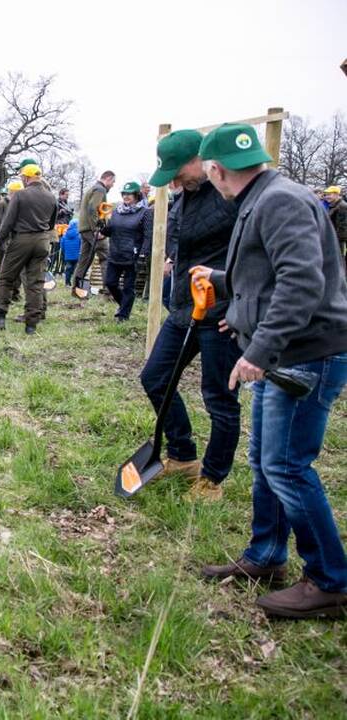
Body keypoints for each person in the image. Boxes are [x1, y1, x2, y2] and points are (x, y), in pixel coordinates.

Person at [193, 123, 347, 619]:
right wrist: (224, 286)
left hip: (305, 354)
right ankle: (266, 556)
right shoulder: (265, 196)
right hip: (287, 353)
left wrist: (258, 350)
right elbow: (268, 273)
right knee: (265, 461)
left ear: (216, 170)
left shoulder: (279, 200)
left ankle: (330, 580)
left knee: (286, 465)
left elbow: (302, 282)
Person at [139, 129, 242, 501]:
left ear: (199, 159)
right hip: (185, 308)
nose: (176, 182)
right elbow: (191, 240)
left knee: (219, 398)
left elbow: (255, 256)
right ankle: (182, 454)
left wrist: (240, 306)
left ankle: (212, 479)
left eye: (179, 173)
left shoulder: (231, 194)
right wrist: (173, 260)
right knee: (155, 377)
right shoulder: (188, 195)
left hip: (222, 313)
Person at [0, 164, 57, 334]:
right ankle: (31, 325)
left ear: (26, 178)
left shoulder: (20, 195)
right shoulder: (51, 197)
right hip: (42, 241)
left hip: (21, 240)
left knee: (6, 278)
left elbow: (7, 223)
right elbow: (52, 223)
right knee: (36, 283)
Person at [100, 181, 152, 322]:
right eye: (124, 194)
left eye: (129, 194)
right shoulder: (117, 211)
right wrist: (103, 230)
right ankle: (124, 305)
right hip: (115, 253)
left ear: (136, 195)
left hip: (132, 256)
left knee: (129, 287)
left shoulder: (145, 212)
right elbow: (111, 229)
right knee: (110, 283)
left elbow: (148, 235)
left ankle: (123, 315)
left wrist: (143, 254)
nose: (126, 196)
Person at [73, 171, 116, 296]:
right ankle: (109, 292)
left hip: (85, 229)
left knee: (84, 260)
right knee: (106, 257)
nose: (113, 185)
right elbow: (93, 208)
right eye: (113, 182)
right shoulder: (100, 190)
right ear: (107, 179)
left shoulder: (93, 188)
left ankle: (76, 289)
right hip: (92, 230)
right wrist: (97, 229)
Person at [324, 185, 346, 271]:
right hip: (332, 236)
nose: (327, 196)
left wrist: (336, 239)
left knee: (339, 258)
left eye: (330, 194)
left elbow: (342, 226)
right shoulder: (333, 205)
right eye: (326, 194)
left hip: (337, 238)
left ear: (337, 195)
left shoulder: (341, 206)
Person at [60, 219, 81, 286]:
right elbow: (81, 245)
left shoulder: (65, 234)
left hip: (68, 256)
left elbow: (62, 245)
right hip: (77, 256)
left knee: (68, 269)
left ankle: (67, 283)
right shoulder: (79, 235)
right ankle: (75, 284)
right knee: (76, 270)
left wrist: (64, 253)